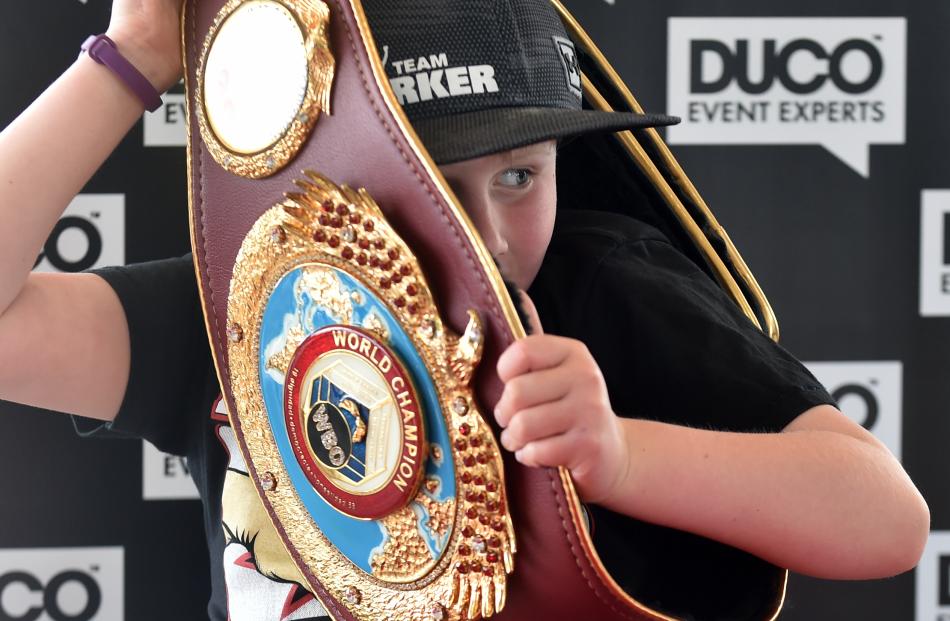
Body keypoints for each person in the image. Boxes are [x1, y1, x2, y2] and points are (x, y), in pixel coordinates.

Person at [0, 0, 929, 619]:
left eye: (522, 175)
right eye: (435, 187)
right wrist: (132, 61)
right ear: (330, 177)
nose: (486, 230)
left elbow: (886, 520)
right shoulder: (243, 302)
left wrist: (619, 456)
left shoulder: (601, 287)